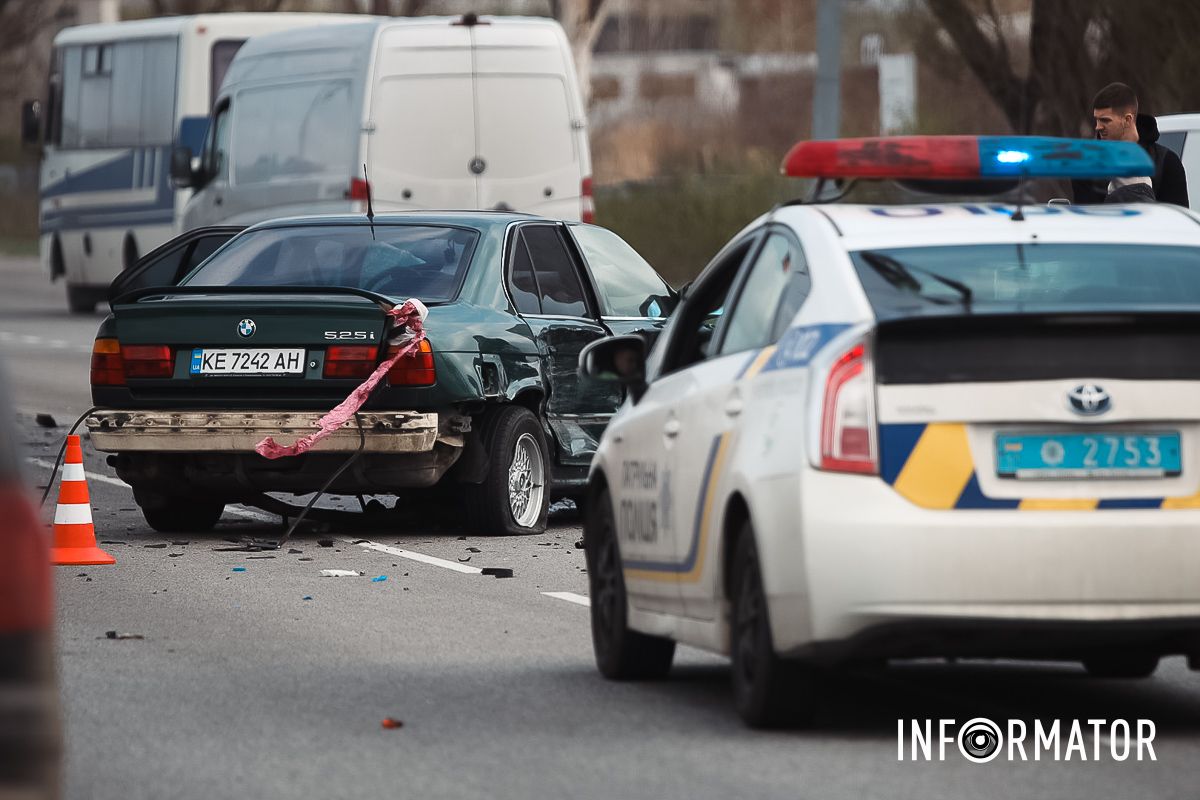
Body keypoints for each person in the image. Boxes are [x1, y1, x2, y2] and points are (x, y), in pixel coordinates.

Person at [1071, 82, 1189, 207]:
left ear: (1127, 120)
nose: (1098, 127)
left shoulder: (1167, 162)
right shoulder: (1085, 165)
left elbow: (1177, 217)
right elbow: (1087, 217)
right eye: (1097, 120)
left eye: (1105, 120)